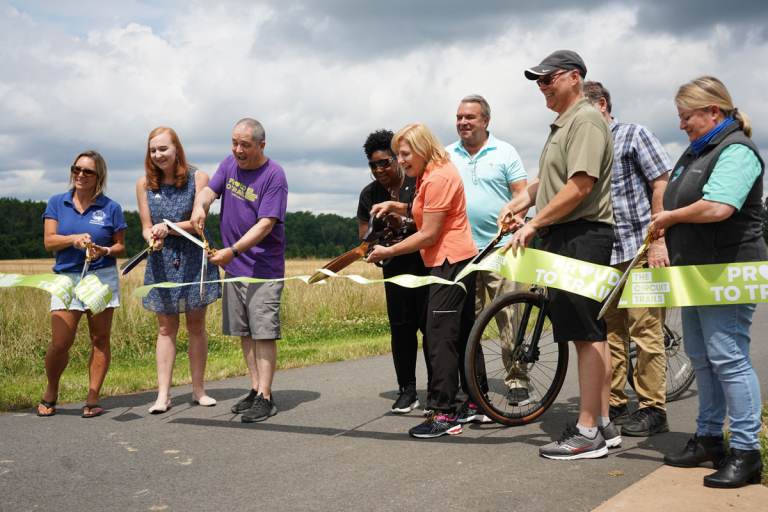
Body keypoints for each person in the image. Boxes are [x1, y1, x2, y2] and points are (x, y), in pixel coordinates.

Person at [498, 50, 616, 459]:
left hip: (580, 235)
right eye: (537, 82)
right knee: (589, 333)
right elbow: (553, 182)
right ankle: (602, 422)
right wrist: (522, 200)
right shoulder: (564, 124)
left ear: (573, 78)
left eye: (547, 79)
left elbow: (580, 186)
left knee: (586, 335)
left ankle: (587, 432)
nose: (542, 88)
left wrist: (533, 223)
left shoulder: (584, 120)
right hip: (568, 234)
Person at [651, 76, 764, 488]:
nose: (682, 125)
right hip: (696, 273)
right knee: (701, 357)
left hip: (727, 270)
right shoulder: (696, 151)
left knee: (728, 357)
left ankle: (747, 451)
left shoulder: (736, 150)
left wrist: (668, 218)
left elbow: (719, 207)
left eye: (687, 117)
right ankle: (709, 438)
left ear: (713, 111)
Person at [367, 122, 478, 438]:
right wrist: (397, 205)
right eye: (398, 155)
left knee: (439, 336)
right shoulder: (430, 174)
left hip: (449, 261)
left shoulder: (439, 176)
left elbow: (428, 233)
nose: (400, 161)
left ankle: (444, 413)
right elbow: (426, 212)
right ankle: (471, 404)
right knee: (457, 334)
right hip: (450, 260)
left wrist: (386, 250)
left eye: (404, 154)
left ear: (422, 148)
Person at [584, 81, 672, 437]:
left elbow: (661, 182)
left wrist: (657, 240)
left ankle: (653, 407)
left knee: (646, 330)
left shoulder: (634, 134)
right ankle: (617, 401)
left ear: (602, 105)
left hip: (639, 247)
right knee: (612, 332)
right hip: (606, 253)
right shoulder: (589, 147)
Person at [191, 118, 288, 424]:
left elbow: (266, 224)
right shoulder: (229, 164)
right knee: (245, 332)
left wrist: (232, 251)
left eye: (245, 144)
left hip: (263, 269)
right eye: (234, 142)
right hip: (234, 268)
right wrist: (200, 206)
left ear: (261, 145)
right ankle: (255, 388)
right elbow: (210, 190)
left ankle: (266, 396)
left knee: (263, 332)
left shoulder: (274, 175)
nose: (238, 150)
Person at [447, 94, 530, 422]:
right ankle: (473, 381)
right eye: (459, 117)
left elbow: (522, 194)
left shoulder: (505, 151)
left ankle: (517, 378)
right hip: (463, 250)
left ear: (485, 121)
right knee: (469, 321)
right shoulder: (446, 155)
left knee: (508, 316)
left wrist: (518, 218)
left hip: (501, 247)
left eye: (470, 117)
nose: (463, 122)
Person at [136, 127, 222, 414]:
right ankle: (163, 395)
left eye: (163, 149)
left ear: (177, 149)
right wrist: (152, 237)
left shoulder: (199, 178)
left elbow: (199, 222)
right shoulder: (144, 185)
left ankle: (198, 390)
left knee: (196, 327)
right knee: (165, 328)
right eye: (153, 150)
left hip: (193, 257)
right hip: (161, 261)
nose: (158, 155)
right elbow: (146, 227)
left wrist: (169, 227)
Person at [39, 150, 126, 418]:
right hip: (67, 278)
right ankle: (51, 390)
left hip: (101, 278)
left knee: (100, 339)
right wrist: (74, 239)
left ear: (98, 176)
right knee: (60, 342)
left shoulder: (111, 208)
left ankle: (92, 397)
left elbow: (121, 246)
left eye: (87, 171)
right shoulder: (57, 202)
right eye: (76, 169)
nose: (80, 174)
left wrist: (104, 251)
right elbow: (49, 241)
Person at [357, 129, 428, 414]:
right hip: (393, 267)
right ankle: (407, 390)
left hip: (425, 264)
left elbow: (429, 223)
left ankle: (439, 388)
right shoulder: (369, 194)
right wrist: (372, 244)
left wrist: (404, 223)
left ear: (397, 159)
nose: (379, 169)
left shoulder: (416, 180)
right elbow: (364, 236)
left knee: (431, 330)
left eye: (384, 162)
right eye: (373, 165)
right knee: (401, 330)